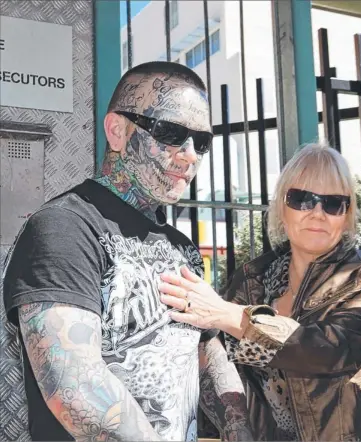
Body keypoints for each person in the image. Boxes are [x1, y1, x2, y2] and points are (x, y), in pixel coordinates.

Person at [3, 62, 252, 442]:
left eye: (201, 142)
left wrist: (238, 428)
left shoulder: (181, 248)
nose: (190, 156)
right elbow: (76, 392)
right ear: (117, 131)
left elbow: (205, 351)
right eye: (171, 133)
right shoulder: (63, 228)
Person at [159, 143, 361, 441]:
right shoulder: (250, 282)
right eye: (302, 199)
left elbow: (328, 352)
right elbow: (221, 372)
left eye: (333, 203)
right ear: (281, 207)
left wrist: (233, 317)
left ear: (347, 216)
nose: (318, 213)